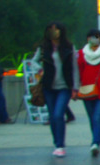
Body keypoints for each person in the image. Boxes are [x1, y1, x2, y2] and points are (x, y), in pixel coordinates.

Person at [32, 22, 79, 157]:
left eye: (56, 29)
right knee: (53, 116)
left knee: (59, 114)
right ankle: (56, 142)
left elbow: (74, 68)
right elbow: (33, 61)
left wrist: (75, 87)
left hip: (64, 86)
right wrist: (39, 69)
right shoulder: (43, 48)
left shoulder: (69, 48)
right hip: (48, 86)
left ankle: (60, 145)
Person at [76, 28, 100, 156]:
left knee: (97, 117)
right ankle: (97, 141)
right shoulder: (82, 54)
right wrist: (76, 89)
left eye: (96, 37)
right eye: (91, 37)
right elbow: (79, 71)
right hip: (87, 91)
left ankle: (95, 142)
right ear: (87, 39)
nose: (94, 39)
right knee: (92, 118)